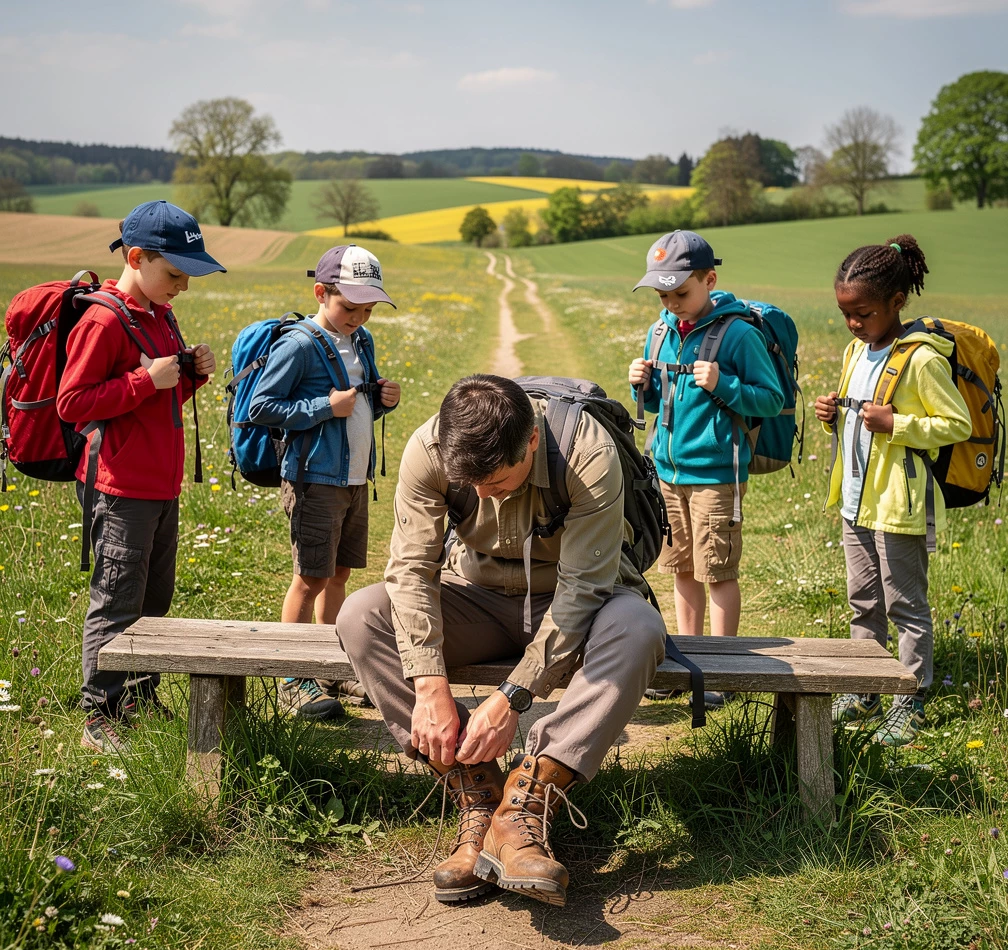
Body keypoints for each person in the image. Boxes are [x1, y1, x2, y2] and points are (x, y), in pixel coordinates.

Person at [337, 374, 666, 908]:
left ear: (531, 440)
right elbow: (412, 569)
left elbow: (584, 590)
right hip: (476, 595)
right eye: (472, 485)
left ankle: (527, 804)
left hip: (576, 604)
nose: (485, 495)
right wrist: (429, 685)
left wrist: (513, 697)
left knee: (640, 628)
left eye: (499, 481)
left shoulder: (587, 452)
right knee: (361, 616)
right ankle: (478, 793)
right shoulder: (428, 447)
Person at [56, 200, 225, 754]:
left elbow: (158, 397)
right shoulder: (104, 319)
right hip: (118, 487)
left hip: (158, 484)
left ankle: (138, 695)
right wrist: (143, 381)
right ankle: (98, 715)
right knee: (117, 600)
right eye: (174, 273)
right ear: (136, 257)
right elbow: (72, 403)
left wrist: (186, 377)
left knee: (155, 598)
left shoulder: (159, 314)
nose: (182, 286)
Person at [815, 235, 970, 746]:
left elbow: (956, 424)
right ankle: (864, 688)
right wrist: (832, 418)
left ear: (897, 302)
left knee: (905, 604)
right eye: (846, 313)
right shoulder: (855, 350)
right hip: (856, 498)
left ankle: (910, 697)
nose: (853, 323)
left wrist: (899, 423)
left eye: (863, 312)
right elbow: (858, 422)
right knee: (863, 600)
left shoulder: (922, 361)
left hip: (899, 505)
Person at [627, 231, 783, 701]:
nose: (672, 303)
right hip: (668, 472)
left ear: (709, 279)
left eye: (681, 292)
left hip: (716, 475)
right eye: (662, 295)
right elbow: (659, 403)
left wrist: (724, 384)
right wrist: (642, 386)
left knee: (717, 571)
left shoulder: (739, 334)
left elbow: (771, 399)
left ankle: (721, 670)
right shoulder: (659, 332)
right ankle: (686, 660)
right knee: (681, 569)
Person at [249, 245, 400, 721]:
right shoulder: (298, 345)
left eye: (368, 308)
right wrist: (322, 408)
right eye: (349, 306)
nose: (359, 316)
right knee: (310, 576)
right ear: (321, 292)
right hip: (314, 479)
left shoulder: (363, 341)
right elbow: (260, 408)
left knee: (339, 574)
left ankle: (330, 663)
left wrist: (384, 399)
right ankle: (293, 676)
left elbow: (362, 400)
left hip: (354, 477)